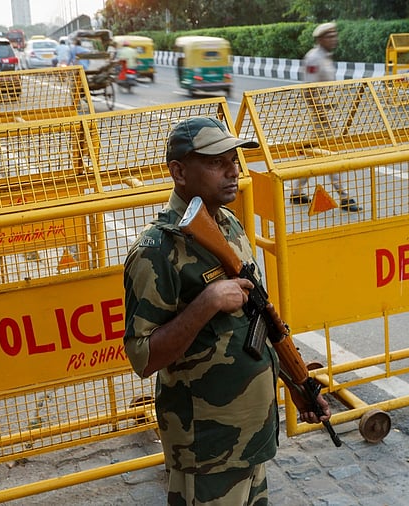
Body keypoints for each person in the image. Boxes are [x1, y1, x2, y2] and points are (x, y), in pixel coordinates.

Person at [123, 117, 331, 505]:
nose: (234, 170)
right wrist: (208, 303)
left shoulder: (228, 225)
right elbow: (142, 356)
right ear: (179, 172)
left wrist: (298, 385)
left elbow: (259, 319)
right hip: (206, 446)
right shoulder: (156, 251)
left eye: (234, 159)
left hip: (250, 435)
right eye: (218, 162)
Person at [289, 22, 360, 212]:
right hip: (323, 115)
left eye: (335, 35)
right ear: (320, 39)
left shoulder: (326, 58)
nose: (334, 39)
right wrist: (321, 115)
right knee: (330, 155)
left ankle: (296, 192)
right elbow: (309, 90)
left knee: (314, 155)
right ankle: (344, 196)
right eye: (330, 36)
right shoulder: (313, 58)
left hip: (329, 112)